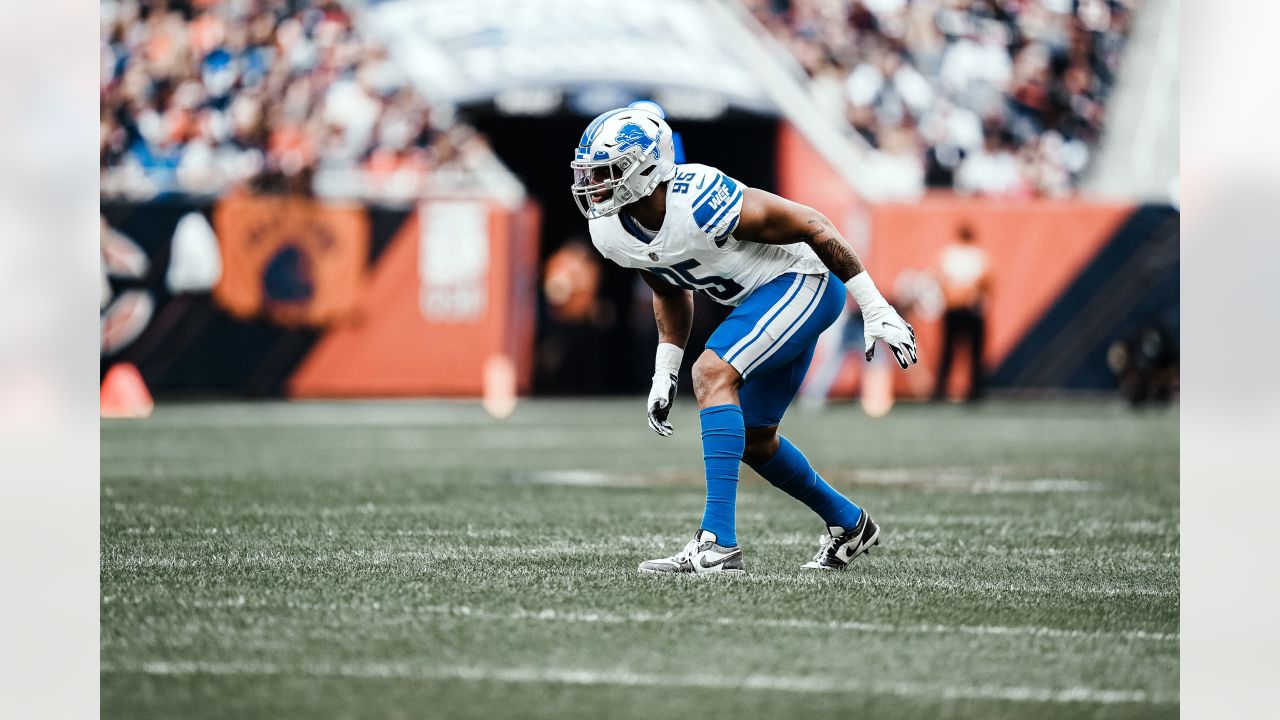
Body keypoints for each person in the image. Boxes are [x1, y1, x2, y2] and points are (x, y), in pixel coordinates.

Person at [570, 106, 917, 574]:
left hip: (804, 280)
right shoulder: (610, 232)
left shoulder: (700, 199)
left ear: (648, 169)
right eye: (590, 172)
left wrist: (875, 306)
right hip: (765, 299)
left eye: (608, 172)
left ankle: (717, 542)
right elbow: (671, 289)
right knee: (754, 438)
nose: (594, 183)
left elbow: (815, 225)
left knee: (711, 374)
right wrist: (663, 372)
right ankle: (849, 523)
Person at [932, 223, 991, 402]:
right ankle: (972, 391)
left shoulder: (954, 255)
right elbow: (986, 280)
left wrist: (958, 295)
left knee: (953, 351)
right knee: (964, 352)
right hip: (965, 307)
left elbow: (942, 279)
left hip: (960, 307)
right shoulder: (976, 255)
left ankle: (943, 391)